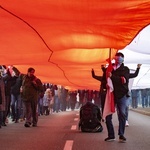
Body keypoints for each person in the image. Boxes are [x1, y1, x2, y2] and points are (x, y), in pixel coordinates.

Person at [104, 52, 130, 143]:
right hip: (111, 94)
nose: (118, 59)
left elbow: (123, 80)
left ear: (123, 59)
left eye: (120, 57)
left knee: (122, 114)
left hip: (121, 95)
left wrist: (112, 76)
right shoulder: (110, 68)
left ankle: (121, 134)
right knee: (108, 115)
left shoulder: (125, 69)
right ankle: (111, 135)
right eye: (117, 57)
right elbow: (105, 79)